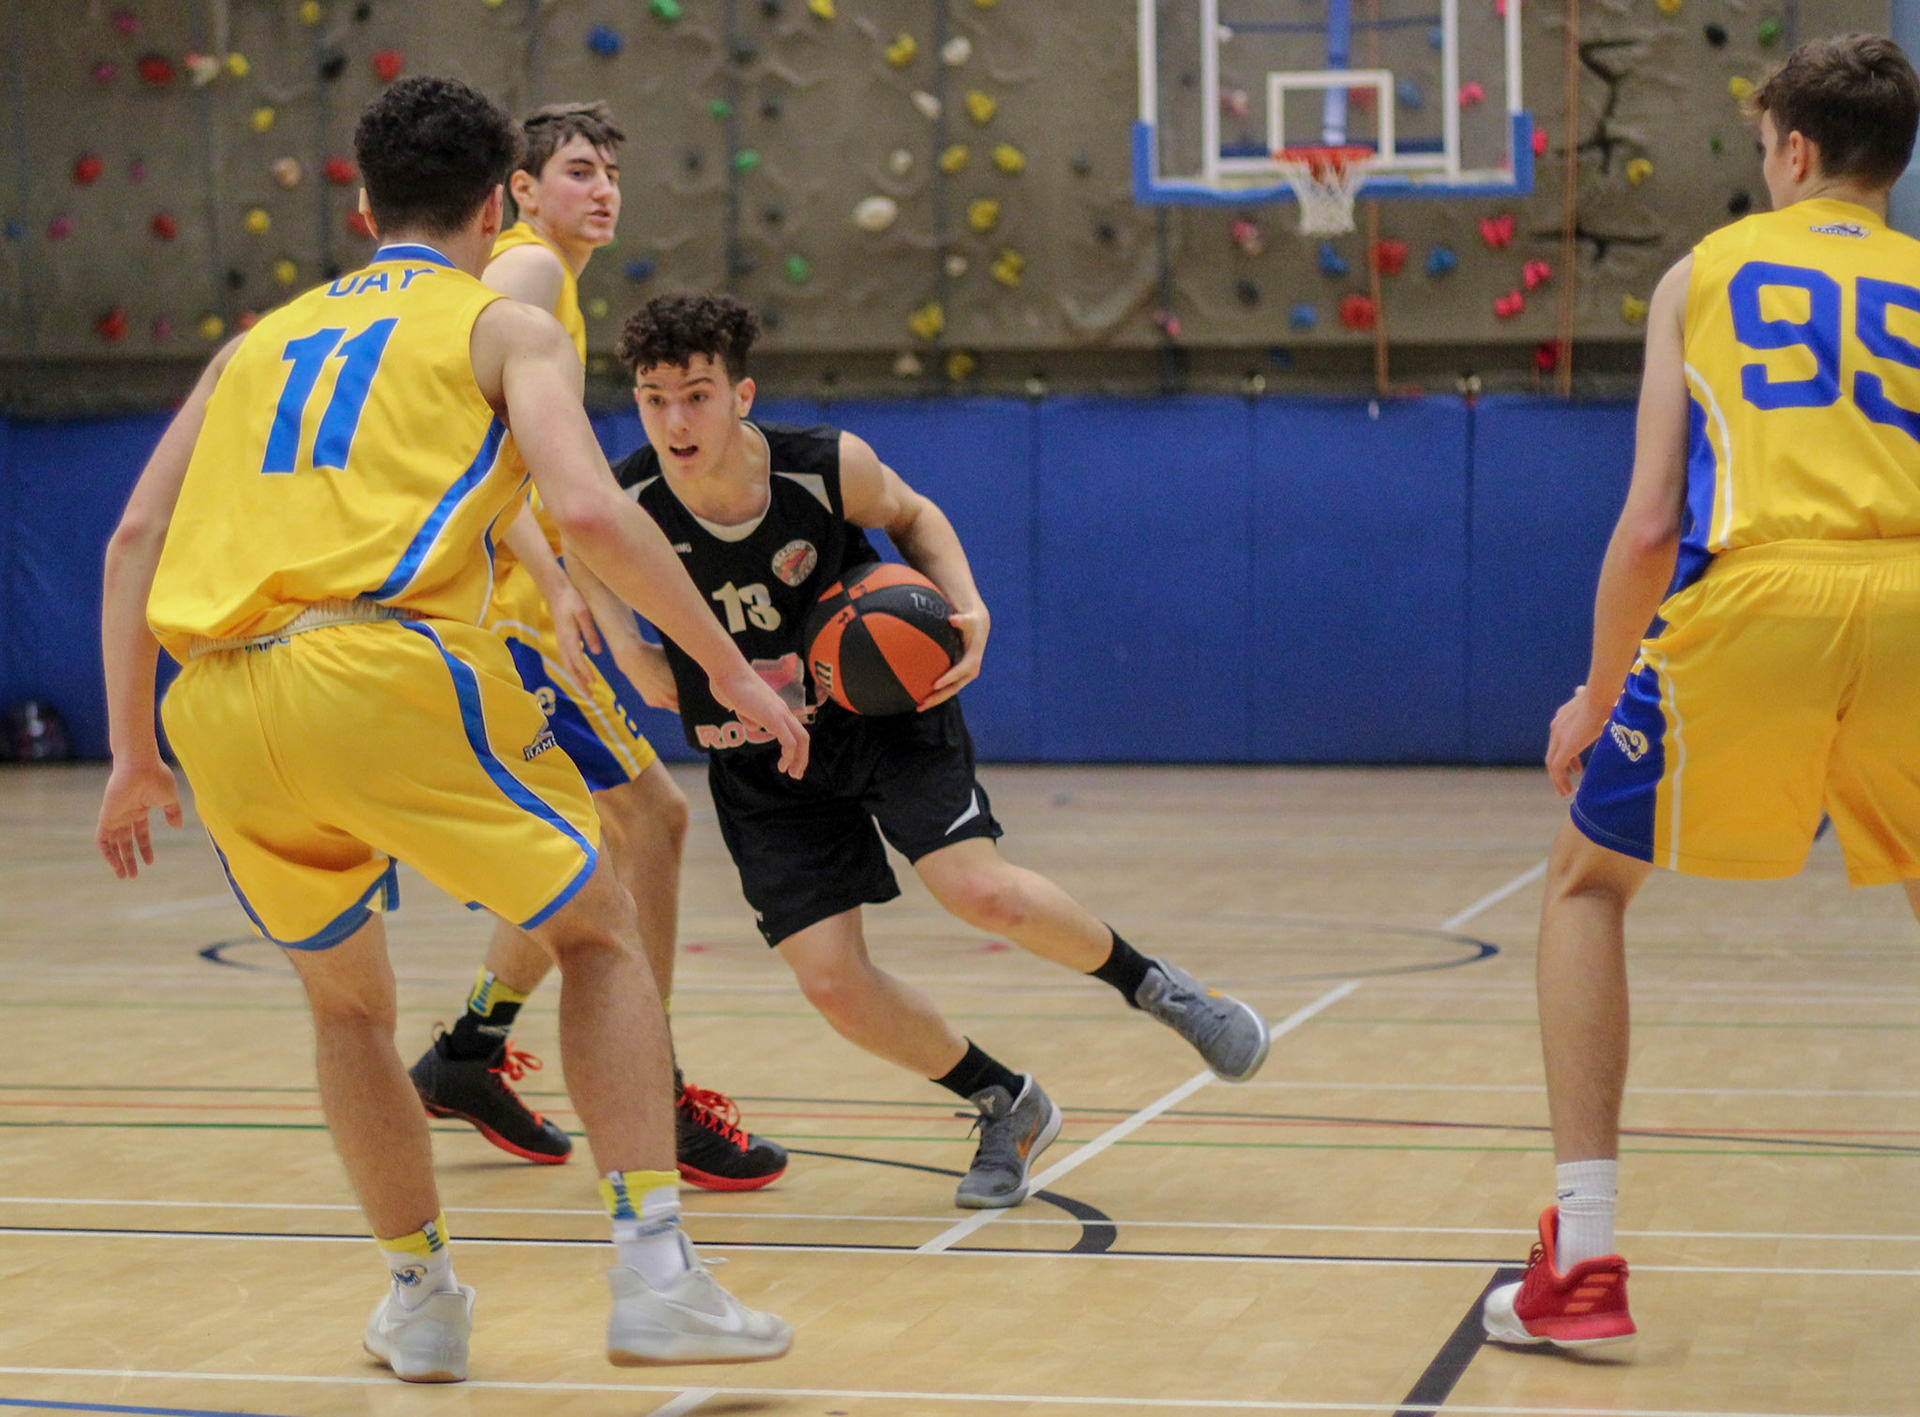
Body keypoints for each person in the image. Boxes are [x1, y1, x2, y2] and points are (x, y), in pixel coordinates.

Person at [93, 77, 808, 1382]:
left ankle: (420, 1301)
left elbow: (135, 535)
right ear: (497, 204)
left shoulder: (254, 345)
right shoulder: (505, 323)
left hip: (216, 701)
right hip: (381, 661)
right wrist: (730, 672)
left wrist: (133, 751)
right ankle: (656, 1276)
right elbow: (588, 512)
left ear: (364, 207)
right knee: (601, 928)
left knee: (346, 1009)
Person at [604, 291, 1273, 1211]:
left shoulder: (823, 466)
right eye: (654, 399)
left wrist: (970, 604)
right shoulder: (625, 502)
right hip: (761, 757)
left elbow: (916, 515)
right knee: (832, 983)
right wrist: (652, 660)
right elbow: (597, 589)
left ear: (741, 394)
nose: (676, 421)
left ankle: (1160, 988)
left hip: (879, 710)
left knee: (979, 889)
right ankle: (1006, 1099)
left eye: (697, 395)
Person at [1483, 33, 1920, 1352]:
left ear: (1794, 151)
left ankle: (1585, 1259)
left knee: (1586, 884)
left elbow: (1649, 526)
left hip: (1764, 592)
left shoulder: (1708, 272)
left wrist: (1596, 692)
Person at [407, 100, 786, 1191]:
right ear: (520, 190)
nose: (604, 188)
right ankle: (653, 1093)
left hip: (490, 612)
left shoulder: (541, 283)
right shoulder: (528, 273)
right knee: (653, 822)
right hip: (503, 622)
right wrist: (556, 575)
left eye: (612, 170)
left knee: (597, 847)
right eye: (578, 170)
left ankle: (470, 1048)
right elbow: (476, 438)